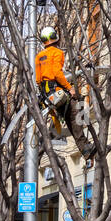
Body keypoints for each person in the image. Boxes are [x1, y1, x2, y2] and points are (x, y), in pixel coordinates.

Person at [35, 26, 93, 161]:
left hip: (47, 94)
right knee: (75, 113)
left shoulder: (39, 56)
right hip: (58, 90)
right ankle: (85, 147)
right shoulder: (57, 52)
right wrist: (69, 88)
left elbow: (38, 80)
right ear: (55, 37)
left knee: (69, 117)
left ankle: (86, 150)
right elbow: (57, 73)